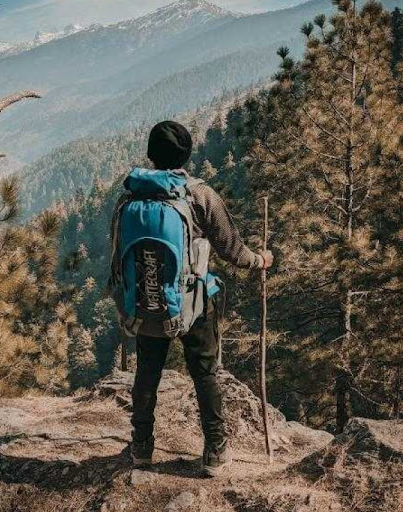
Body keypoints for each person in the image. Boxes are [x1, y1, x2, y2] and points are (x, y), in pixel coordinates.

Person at [109, 120, 273, 477]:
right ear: (187, 155)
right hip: (195, 302)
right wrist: (260, 260)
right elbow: (232, 250)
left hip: (146, 302)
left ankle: (141, 448)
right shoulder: (198, 194)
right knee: (205, 373)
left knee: (147, 374)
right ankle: (215, 451)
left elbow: (117, 257)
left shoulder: (128, 199)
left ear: (151, 155)